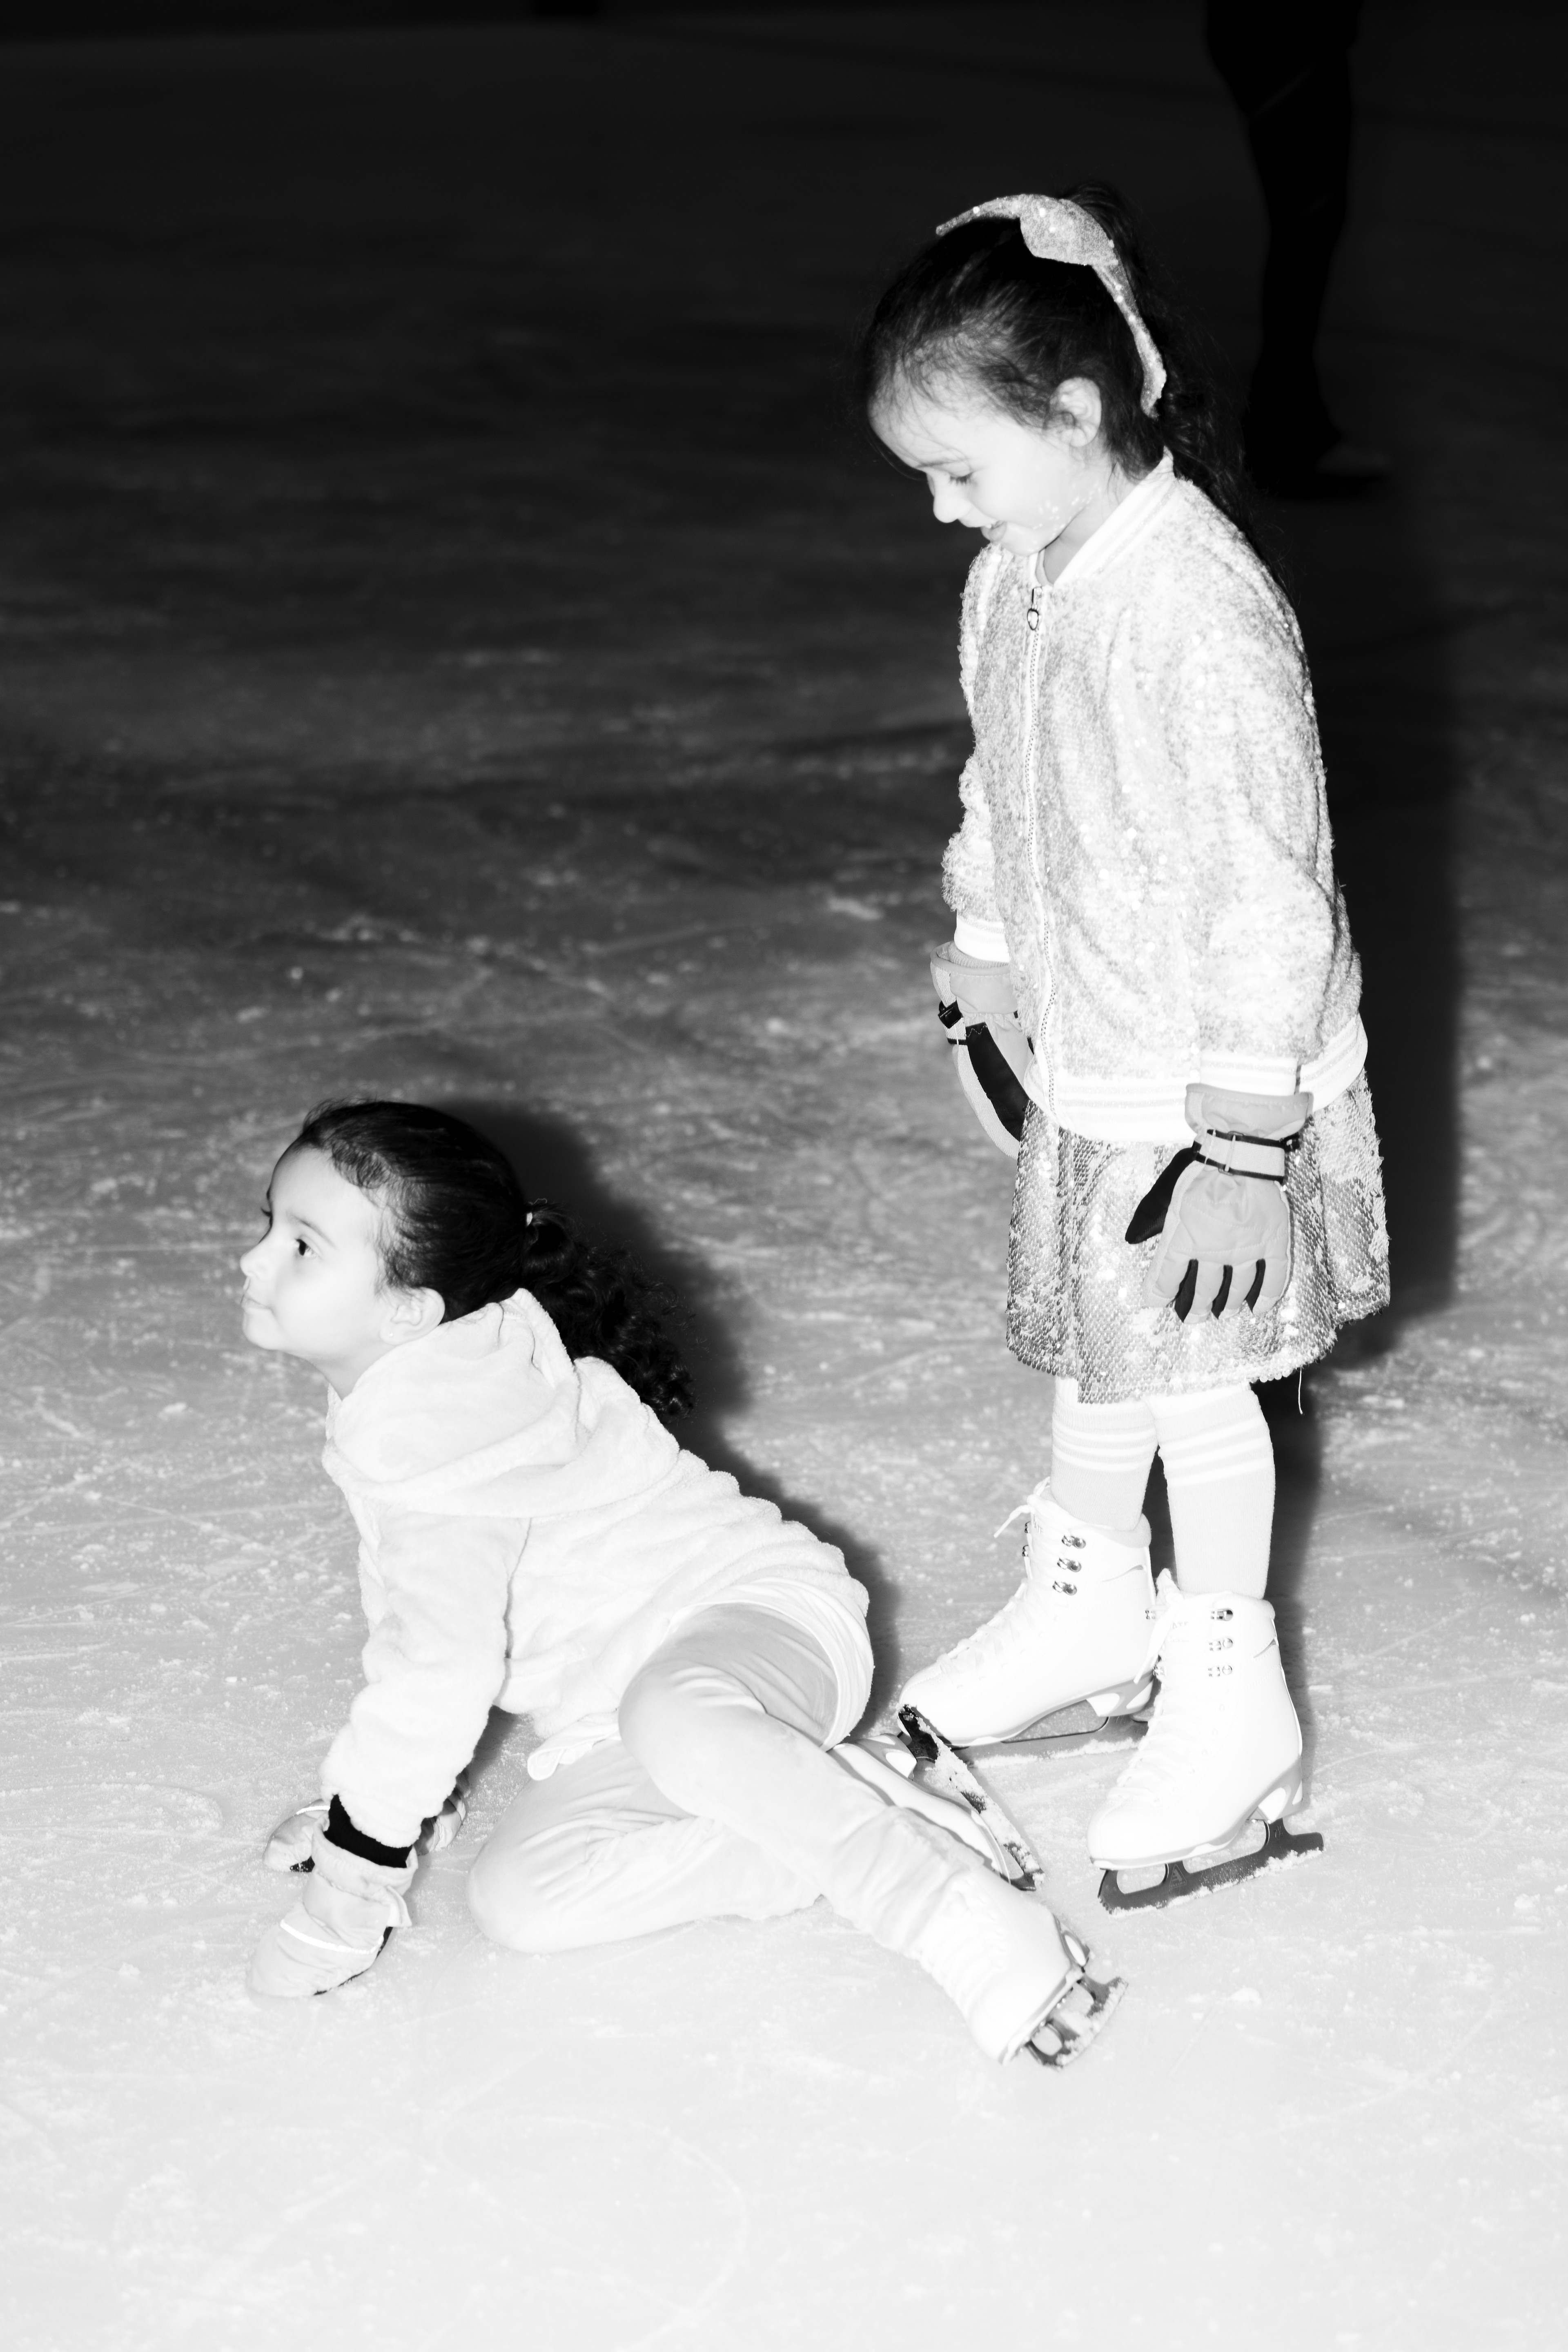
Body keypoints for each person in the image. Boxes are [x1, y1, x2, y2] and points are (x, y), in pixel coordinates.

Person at [857, 188, 1389, 1903]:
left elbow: (1272, 894)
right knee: (1104, 1359)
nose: (944, 508)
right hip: (1096, 1046)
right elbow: (999, 782)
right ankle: (1091, 1612)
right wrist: (984, 948)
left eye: (961, 467)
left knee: (1197, 1384)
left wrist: (1244, 1147)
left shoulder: (1197, 610)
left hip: (1217, 1078)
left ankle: (1232, 1692)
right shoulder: (1018, 578)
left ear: (1077, 411)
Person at [239, 1098, 1118, 2064]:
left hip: (764, 1624)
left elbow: (437, 1670)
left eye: (301, 1246)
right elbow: (422, 1622)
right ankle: (839, 1799)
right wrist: (373, 1807)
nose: (254, 1260)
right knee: (520, 1898)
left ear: (409, 1307)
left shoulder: (448, 1429)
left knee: (673, 1709)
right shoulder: (423, 1385)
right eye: (270, 1225)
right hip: (618, 1715)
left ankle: (949, 1911)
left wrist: (353, 1881)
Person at [1205, 0, 1385, 491]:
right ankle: (1286, 426)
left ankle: (1285, 415)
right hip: (1283, 33)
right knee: (1308, 220)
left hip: (1287, 33)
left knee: (1310, 219)